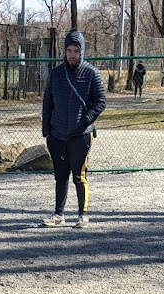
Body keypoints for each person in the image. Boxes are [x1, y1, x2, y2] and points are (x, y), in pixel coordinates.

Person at [41, 29, 106, 229]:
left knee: (79, 176)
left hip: (81, 135)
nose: (72, 54)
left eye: (76, 50)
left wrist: (86, 120)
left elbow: (101, 101)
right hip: (57, 134)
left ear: (81, 52)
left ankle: (82, 215)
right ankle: (58, 214)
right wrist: (47, 131)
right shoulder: (56, 74)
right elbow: (47, 103)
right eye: (69, 50)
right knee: (60, 176)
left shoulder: (91, 73)